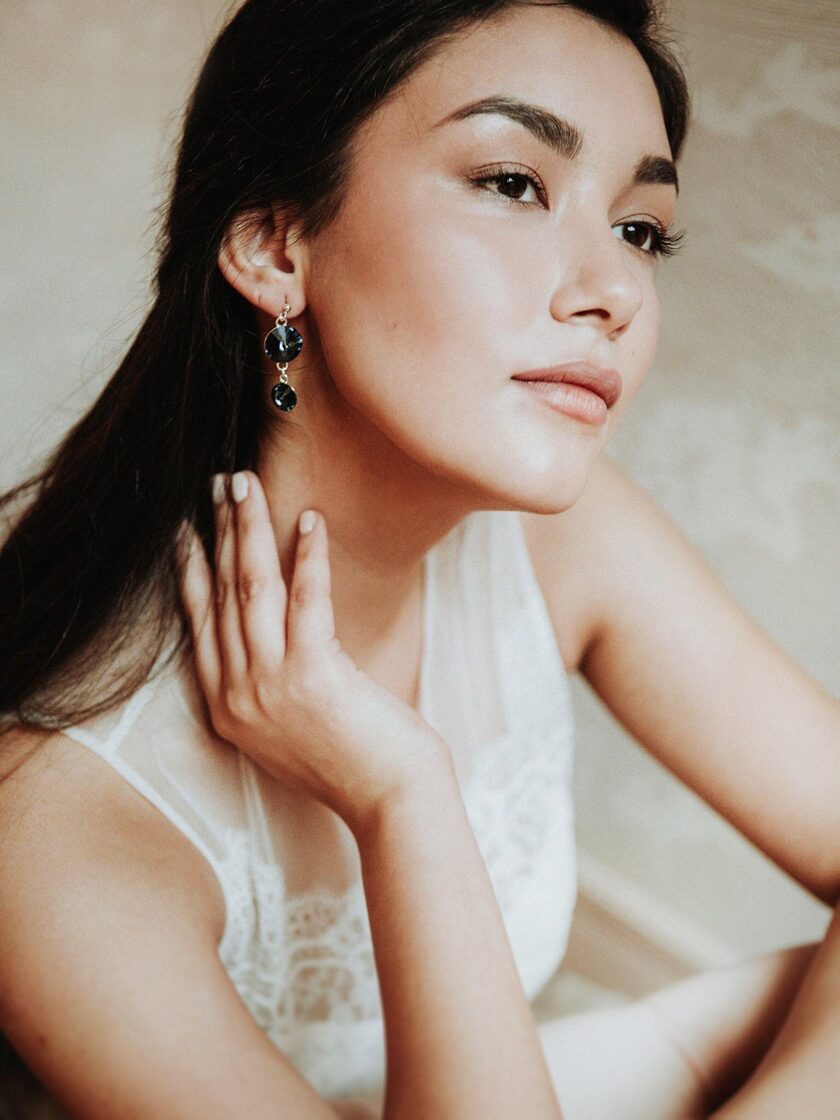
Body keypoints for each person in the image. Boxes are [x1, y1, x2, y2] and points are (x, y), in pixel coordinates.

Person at [0, 0, 838, 1117]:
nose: (616, 292)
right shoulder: (52, 819)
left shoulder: (563, 538)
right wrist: (403, 794)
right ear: (275, 245)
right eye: (514, 183)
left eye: (641, 229)